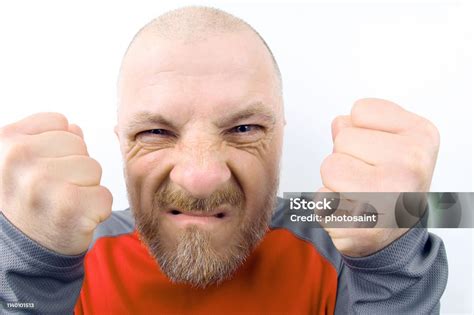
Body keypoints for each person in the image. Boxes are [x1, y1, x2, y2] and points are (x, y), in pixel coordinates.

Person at [0, 6, 447, 315]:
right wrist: (27, 261)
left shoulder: (338, 235)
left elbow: (457, 209)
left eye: (244, 129)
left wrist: (392, 251)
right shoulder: (65, 249)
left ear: (280, 138)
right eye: (155, 132)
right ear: (121, 142)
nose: (200, 177)